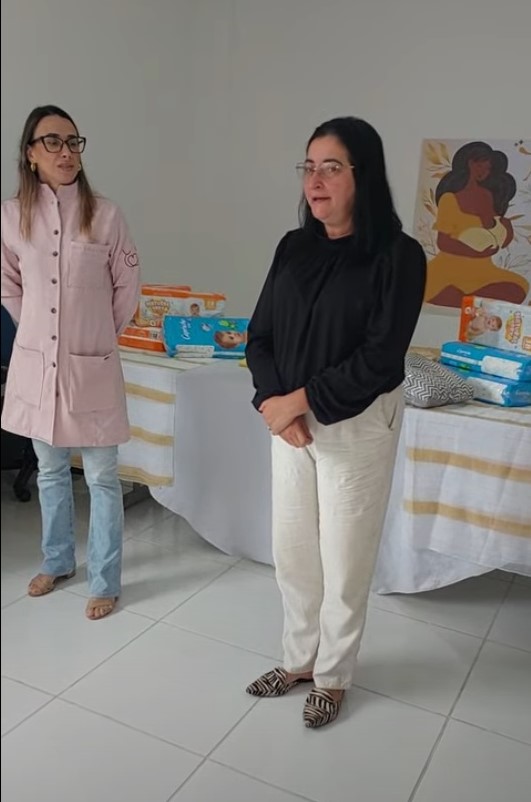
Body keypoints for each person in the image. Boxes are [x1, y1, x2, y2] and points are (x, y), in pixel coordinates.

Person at [245, 117, 426, 728]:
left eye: (331, 168)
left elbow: (380, 358)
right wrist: (275, 404)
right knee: (293, 550)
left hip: (358, 426)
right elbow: (260, 335)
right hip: (290, 424)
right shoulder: (293, 247)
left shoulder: (398, 256)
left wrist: (299, 401)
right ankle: (298, 660)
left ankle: (333, 675)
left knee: (344, 560)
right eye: (309, 167)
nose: (314, 181)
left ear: (362, 176)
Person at [1, 105, 141, 620]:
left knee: (102, 477)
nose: (66, 152)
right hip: (37, 366)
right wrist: (37, 332)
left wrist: (95, 336)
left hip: (91, 364)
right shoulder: (10, 217)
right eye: (53, 142)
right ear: (30, 154)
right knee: (50, 470)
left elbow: (127, 287)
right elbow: (7, 283)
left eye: (73, 142)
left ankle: (104, 580)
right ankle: (57, 561)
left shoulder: (105, 215)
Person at [424, 141, 529, 308]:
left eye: (487, 169)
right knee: (431, 289)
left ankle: (464, 298)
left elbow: (496, 233)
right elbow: (443, 242)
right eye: (479, 165)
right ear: (468, 163)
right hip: (450, 269)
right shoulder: (450, 199)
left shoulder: (488, 196)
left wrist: (506, 229)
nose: (483, 172)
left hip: (483, 271)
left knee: (520, 287)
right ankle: (460, 297)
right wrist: (476, 252)